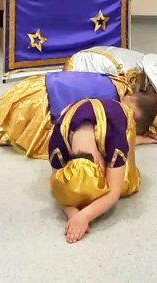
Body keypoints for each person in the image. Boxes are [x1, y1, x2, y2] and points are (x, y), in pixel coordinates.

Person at [0, 70, 157, 158]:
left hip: (36, 86)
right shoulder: (110, 106)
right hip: (39, 103)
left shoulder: (121, 85)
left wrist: (148, 128)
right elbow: (105, 140)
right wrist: (141, 138)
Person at [48, 98, 145, 243]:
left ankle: (141, 137)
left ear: (101, 163)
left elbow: (114, 193)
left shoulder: (116, 140)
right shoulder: (57, 145)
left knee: (124, 184)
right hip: (77, 112)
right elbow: (59, 189)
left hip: (115, 113)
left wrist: (85, 216)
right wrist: (75, 216)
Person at [63, 46, 157, 113]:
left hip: (89, 56)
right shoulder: (129, 77)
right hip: (78, 72)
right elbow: (127, 111)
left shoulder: (144, 66)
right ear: (152, 88)